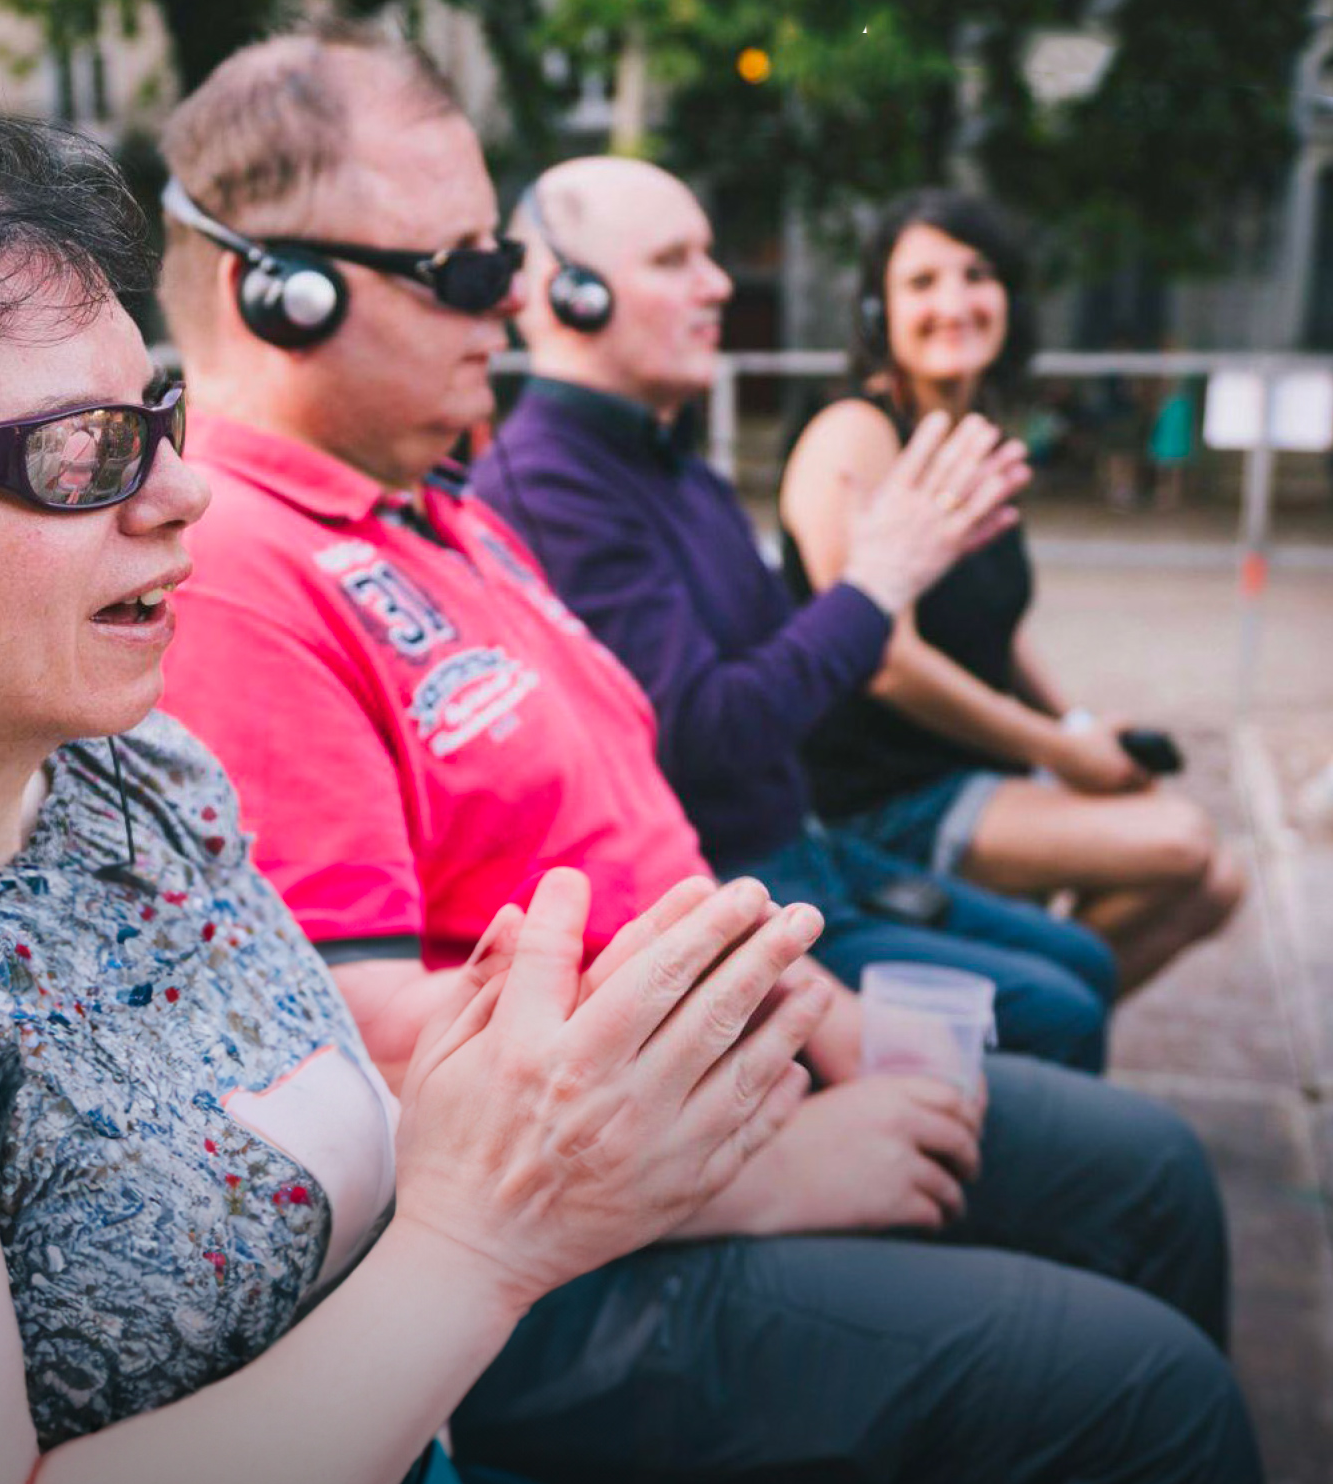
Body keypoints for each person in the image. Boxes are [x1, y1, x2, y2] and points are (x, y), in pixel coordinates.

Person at [156, 26, 1267, 1484]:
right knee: (1144, 1396)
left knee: (1140, 1176)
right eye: (469, 272)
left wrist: (805, 1004)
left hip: (705, 1081)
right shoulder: (240, 570)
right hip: (582, 1237)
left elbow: (638, 815)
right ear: (271, 292)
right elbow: (367, 1044)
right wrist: (754, 1158)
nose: (515, 308)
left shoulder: (432, 511)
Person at [0, 112, 833, 1484]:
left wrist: (492, 1091)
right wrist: (480, 1239)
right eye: (82, 454)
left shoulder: (143, 777)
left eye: (157, 420)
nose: (186, 492)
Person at [477, 155, 1118, 1071]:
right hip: (740, 892)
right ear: (566, 294)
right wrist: (876, 583)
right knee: (1062, 1015)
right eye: (674, 260)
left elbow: (782, 655)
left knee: (1083, 961)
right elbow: (708, 732)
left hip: (809, 852)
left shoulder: (674, 462)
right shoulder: (550, 484)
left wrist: (915, 571)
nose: (720, 285)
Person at [779, 188, 1244, 993]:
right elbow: (883, 657)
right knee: (1181, 842)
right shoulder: (853, 432)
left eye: (977, 274)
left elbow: (994, 622)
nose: (954, 302)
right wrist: (1057, 750)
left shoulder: (974, 430)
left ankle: (1011, 1025)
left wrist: (1077, 727)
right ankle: (1012, 1019)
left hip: (973, 769)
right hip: (875, 796)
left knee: (1219, 885)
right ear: (874, 310)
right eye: (921, 282)